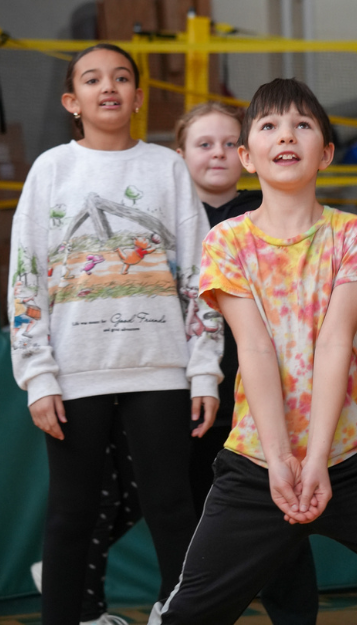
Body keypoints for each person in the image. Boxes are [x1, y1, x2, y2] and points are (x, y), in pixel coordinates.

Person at [147, 77, 357, 624]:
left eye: (302, 124)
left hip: (353, 458)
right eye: (269, 125)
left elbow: (334, 342)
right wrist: (281, 459)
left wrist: (318, 457)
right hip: (257, 461)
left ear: (325, 152)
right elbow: (254, 348)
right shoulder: (226, 241)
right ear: (247, 156)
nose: (286, 135)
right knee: (188, 614)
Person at [7, 43, 223, 625]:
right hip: (75, 371)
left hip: (161, 367)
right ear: (71, 102)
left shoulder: (167, 168)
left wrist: (204, 368)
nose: (109, 87)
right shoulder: (51, 169)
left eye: (122, 77)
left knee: (172, 507)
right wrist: (38, 375)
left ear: (138, 96)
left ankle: (180, 616)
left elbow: (200, 274)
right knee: (71, 513)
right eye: (93, 79)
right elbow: (25, 276)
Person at [174, 100, 319, 624]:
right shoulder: (170, 221)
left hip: (264, 396)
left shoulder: (269, 213)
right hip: (190, 394)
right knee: (198, 518)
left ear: (246, 154)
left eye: (226, 143)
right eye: (202, 144)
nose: (216, 154)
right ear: (179, 155)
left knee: (280, 517)